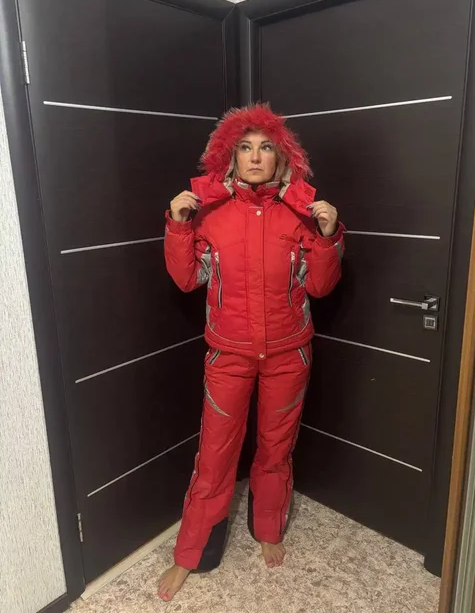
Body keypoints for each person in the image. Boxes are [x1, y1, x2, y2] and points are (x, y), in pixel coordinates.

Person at [158, 104, 344, 602]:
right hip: (229, 355)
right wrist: (178, 225)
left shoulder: (302, 214)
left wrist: (327, 237)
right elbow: (187, 278)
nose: (256, 157)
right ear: (231, 156)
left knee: (276, 448)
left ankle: (268, 528)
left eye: (266, 148)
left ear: (281, 157)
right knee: (215, 454)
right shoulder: (211, 215)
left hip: (288, 353)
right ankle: (191, 553)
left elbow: (321, 287)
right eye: (245, 148)